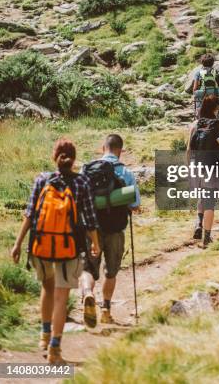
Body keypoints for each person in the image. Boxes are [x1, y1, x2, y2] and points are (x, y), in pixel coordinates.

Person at [11, 139, 100, 364]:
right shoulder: (81, 182)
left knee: (47, 288)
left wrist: (18, 243)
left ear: (55, 156)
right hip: (68, 247)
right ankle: (54, 349)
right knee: (61, 296)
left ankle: (44, 334)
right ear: (74, 159)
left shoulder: (42, 179)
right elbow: (90, 219)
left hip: (41, 244)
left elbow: (30, 215)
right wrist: (95, 244)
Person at [80, 134, 140, 328]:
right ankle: (105, 310)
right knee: (111, 272)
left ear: (102, 148)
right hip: (115, 229)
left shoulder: (87, 169)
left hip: (92, 229)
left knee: (88, 268)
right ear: (120, 151)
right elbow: (135, 204)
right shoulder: (126, 172)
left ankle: (88, 293)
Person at [187, 95, 219, 247]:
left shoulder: (195, 123)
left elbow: (188, 149)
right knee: (210, 202)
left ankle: (198, 224)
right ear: (215, 108)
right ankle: (206, 237)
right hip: (212, 166)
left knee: (202, 194)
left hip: (196, 165)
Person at [193, 53, 219, 117]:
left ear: (202, 62)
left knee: (196, 95)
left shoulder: (198, 73)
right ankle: (217, 113)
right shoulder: (217, 72)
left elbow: (194, 88)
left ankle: (199, 113)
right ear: (212, 63)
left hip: (203, 93)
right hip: (215, 93)